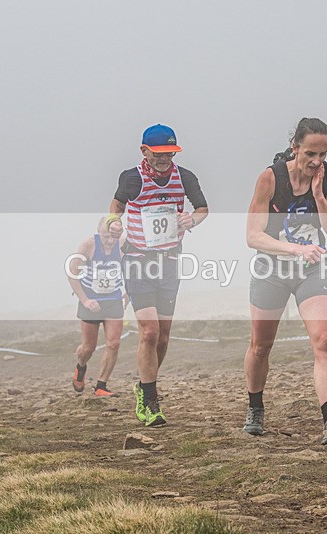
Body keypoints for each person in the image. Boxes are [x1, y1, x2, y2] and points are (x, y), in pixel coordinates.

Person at [243, 117, 327, 445]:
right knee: (261, 345)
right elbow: (252, 236)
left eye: (323, 154)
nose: (317, 161)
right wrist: (295, 249)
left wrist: (319, 196)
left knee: (325, 341)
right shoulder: (270, 179)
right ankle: (255, 407)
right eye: (310, 154)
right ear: (295, 148)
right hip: (271, 269)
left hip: (311, 270)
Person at [109, 124, 209, 426]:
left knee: (163, 337)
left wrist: (191, 220)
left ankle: (144, 384)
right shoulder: (131, 178)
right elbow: (117, 205)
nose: (165, 159)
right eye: (159, 154)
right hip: (137, 260)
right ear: (144, 151)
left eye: (170, 153)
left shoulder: (185, 177)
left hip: (169, 262)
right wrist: (113, 222)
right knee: (149, 332)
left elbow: (202, 209)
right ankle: (150, 401)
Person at [67, 216, 128, 397]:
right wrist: (85, 300)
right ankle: (81, 366)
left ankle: (101, 385)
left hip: (113, 299)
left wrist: (128, 294)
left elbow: (134, 270)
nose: (109, 241)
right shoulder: (88, 245)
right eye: (105, 236)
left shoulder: (123, 244)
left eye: (112, 236)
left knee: (114, 343)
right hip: (91, 300)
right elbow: (72, 274)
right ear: (98, 232)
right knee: (88, 348)